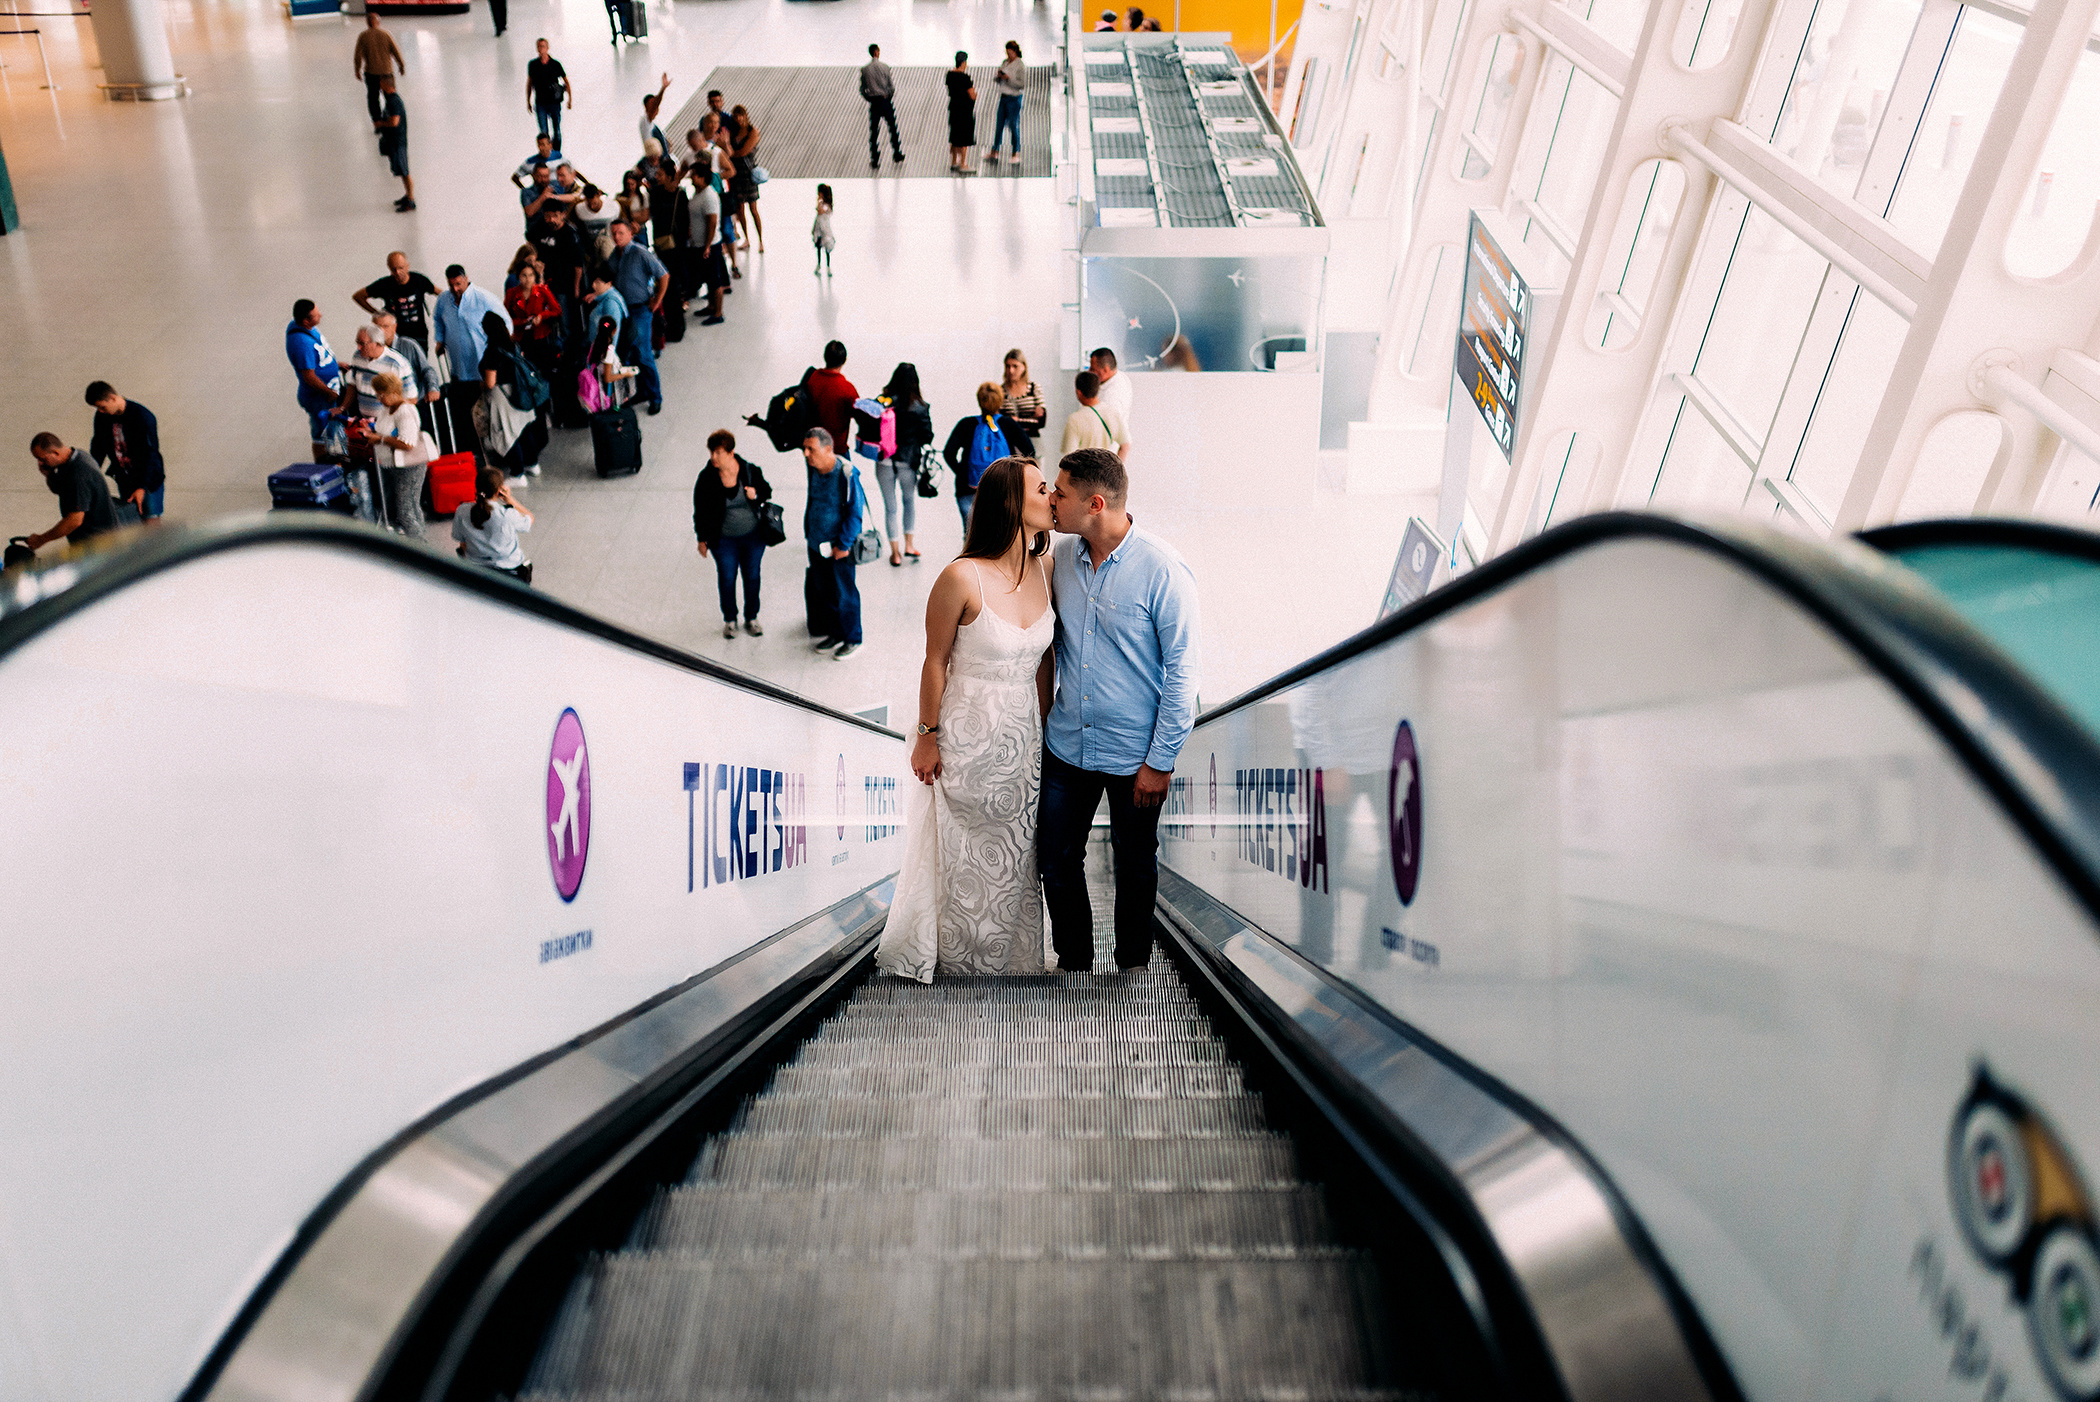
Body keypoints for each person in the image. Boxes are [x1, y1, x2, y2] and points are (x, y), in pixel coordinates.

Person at [876, 457, 1057, 982]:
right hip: (964, 735)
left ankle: (1010, 959)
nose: (1050, 497)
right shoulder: (960, 576)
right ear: (1010, 504)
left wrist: (1043, 728)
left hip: (1024, 736)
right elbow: (934, 660)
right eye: (1042, 489)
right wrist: (926, 737)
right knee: (961, 849)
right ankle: (956, 958)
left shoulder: (1046, 569)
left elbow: (1045, 661)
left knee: (1017, 849)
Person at [1039, 447, 1199, 973]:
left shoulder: (1163, 571)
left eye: (1060, 494)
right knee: (1057, 860)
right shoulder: (1061, 557)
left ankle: (1132, 966)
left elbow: (1183, 676)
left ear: (1096, 503)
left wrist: (1161, 761)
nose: (1052, 501)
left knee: (1134, 864)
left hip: (1137, 758)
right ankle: (1074, 964)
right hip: (1068, 746)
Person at [693, 429, 772, 639]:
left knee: (752, 576)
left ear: (731, 452)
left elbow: (767, 490)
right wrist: (702, 539)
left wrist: (756, 494)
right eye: (712, 452)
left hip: (753, 536)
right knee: (727, 578)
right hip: (723, 539)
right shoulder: (707, 478)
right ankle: (730, 619)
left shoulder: (749, 471)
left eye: (718, 452)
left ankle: (751, 617)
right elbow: (699, 510)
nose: (713, 458)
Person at [801, 428, 865, 659]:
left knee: (845, 593)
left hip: (839, 548)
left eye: (812, 449)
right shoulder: (814, 470)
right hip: (816, 544)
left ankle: (853, 638)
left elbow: (855, 513)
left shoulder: (847, 474)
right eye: (805, 449)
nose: (806, 454)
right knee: (824, 590)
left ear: (828, 449)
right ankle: (835, 633)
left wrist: (844, 544)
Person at [942, 381, 1033, 529]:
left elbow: (948, 453)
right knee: (1000, 535)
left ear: (979, 400)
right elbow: (1030, 451)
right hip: (1003, 490)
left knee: (971, 535)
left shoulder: (966, 424)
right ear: (1000, 401)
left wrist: (962, 473)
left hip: (968, 489)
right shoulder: (1008, 424)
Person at [606, 220, 669, 415]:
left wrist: (657, 301)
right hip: (623, 311)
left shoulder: (640, 252)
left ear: (630, 233)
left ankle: (655, 397)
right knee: (631, 354)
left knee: (644, 354)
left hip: (641, 309)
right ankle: (641, 391)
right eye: (614, 233)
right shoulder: (615, 255)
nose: (617, 237)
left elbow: (663, 275)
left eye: (621, 233)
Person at [24, 433, 121, 554]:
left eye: (43, 459)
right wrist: (49, 475)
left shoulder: (79, 474)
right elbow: (60, 489)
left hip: (97, 544)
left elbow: (74, 520)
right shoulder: (75, 457)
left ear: (55, 453)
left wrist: (42, 539)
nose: (41, 463)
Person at [475, 312, 545, 475]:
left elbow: (490, 382)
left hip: (503, 398)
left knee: (509, 435)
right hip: (520, 393)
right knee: (524, 430)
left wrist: (481, 384)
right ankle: (532, 464)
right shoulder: (513, 344)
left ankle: (517, 472)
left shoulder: (492, 351)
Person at [874, 361, 930, 565]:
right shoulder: (920, 407)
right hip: (908, 462)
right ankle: (909, 545)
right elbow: (927, 435)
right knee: (909, 502)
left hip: (884, 462)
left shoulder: (884, 402)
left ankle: (895, 553)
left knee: (890, 508)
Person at [85, 382, 165, 522]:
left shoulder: (142, 416)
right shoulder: (102, 417)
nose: (100, 411)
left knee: (150, 522)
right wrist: (91, 474)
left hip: (149, 480)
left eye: (102, 407)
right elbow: (98, 447)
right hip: (125, 479)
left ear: (112, 398)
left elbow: (150, 454)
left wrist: (142, 487)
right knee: (132, 522)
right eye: (97, 408)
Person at [365, 372, 428, 537]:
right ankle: (421, 543)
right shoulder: (388, 409)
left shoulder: (405, 411)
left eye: (381, 395)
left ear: (394, 393)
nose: (379, 399)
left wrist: (380, 439)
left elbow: (407, 443)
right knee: (412, 507)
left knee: (405, 511)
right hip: (393, 465)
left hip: (410, 467)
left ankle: (420, 548)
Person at [453, 466, 533, 581]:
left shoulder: (462, 510)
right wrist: (510, 499)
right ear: (499, 490)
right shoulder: (507, 514)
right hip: (510, 571)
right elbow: (529, 519)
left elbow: (462, 544)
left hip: (477, 571)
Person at [285, 299, 343, 460]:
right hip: (319, 398)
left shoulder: (303, 327)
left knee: (330, 432)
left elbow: (317, 360)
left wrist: (335, 365)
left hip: (327, 393)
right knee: (321, 435)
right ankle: (324, 466)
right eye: (316, 315)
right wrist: (329, 392)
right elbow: (309, 376)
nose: (321, 315)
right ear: (305, 321)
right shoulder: (301, 343)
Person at [434, 265, 509, 383]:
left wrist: (497, 354)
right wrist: (440, 340)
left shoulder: (484, 298)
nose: (455, 289)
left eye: (458, 284)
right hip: (458, 368)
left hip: (483, 371)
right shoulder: (443, 300)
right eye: (451, 285)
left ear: (466, 279)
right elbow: (438, 319)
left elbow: (506, 324)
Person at [353, 252, 437, 351]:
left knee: (419, 364)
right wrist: (376, 313)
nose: (397, 272)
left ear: (407, 266)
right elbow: (358, 296)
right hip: (396, 336)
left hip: (419, 335)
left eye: (400, 268)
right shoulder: (385, 284)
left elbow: (438, 292)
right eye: (393, 269)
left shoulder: (418, 280)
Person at [341, 322, 417, 416]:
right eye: (357, 342)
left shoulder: (397, 363)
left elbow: (411, 399)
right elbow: (353, 385)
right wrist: (342, 408)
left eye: (362, 343)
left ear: (377, 343)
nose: (359, 347)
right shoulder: (358, 357)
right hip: (364, 420)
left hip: (388, 424)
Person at [505, 263, 563, 377]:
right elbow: (506, 317)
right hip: (521, 336)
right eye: (524, 275)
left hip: (539, 335)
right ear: (519, 277)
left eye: (531, 275)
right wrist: (522, 322)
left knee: (542, 369)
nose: (528, 279)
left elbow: (557, 310)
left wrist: (542, 315)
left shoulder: (542, 290)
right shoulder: (512, 293)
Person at [1060, 369, 1130, 460]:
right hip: (1104, 472)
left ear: (1079, 392)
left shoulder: (1075, 419)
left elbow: (1068, 455)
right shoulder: (1113, 413)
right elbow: (1125, 446)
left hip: (1084, 473)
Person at [690, 167, 728, 325]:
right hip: (700, 244)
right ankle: (711, 306)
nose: (692, 177)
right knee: (707, 277)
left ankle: (718, 313)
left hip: (710, 246)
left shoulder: (709, 196)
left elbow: (712, 223)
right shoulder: (698, 193)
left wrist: (707, 246)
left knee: (715, 279)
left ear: (702, 177)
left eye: (694, 175)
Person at [725, 105, 764, 252]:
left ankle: (760, 240)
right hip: (736, 174)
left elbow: (742, 152)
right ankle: (747, 238)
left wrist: (730, 151)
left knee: (753, 208)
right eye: (736, 116)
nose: (739, 119)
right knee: (740, 208)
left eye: (741, 116)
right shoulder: (733, 131)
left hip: (747, 175)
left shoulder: (752, 131)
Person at [353, 12, 404, 125]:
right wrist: (401, 65)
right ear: (378, 22)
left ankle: (377, 121)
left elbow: (358, 55)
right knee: (390, 96)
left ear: (367, 23)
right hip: (386, 73)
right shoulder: (386, 34)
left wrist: (357, 70)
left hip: (371, 73)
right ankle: (392, 118)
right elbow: (395, 51)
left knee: (373, 98)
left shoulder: (363, 36)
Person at [860, 44, 905, 169]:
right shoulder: (885, 67)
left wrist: (869, 98)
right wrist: (888, 96)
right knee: (892, 128)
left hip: (874, 103)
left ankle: (875, 158)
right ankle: (896, 153)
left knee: (874, 131)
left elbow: (862, 88)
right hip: (885, 101)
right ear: (877, 52)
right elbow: (891, 85)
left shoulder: (865, 70)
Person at [806, 340, 858, 445]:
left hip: (813, 444)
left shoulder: (811, 378)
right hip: (836, 446)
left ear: (825, 357)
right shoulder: (847, 389)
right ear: (844, 360)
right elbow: (856, 413)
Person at [375, 74, 414, 211]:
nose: (380, 87)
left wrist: (381, 123)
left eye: (381, 84)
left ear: (386, 85)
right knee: (402, 170)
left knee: (404, 171)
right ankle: (408, 196)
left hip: (398, 142)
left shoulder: (393, 101)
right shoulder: (392, 100)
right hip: (396, 141)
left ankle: (411, 200)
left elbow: (394, 121)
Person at [526, 38, 571, 146]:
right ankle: (547, 153)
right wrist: (528, 100)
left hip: (554, 103)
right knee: (544, 132)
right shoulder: (533, 65)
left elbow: (566, 81)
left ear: (547, 48)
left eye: (543, 46)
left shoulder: (555, 64)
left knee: (557, 131)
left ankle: (556, 152)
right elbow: (529, 83)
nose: (541, 49)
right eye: (539, 47)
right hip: (541, 103)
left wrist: (570, 99)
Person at [988, 42, 1024, 167]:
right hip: (1003, 97)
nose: (1008, 55)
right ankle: (995, 150)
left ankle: (1016, 153)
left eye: (1010, 52)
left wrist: (1009, 78)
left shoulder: (1020, 65)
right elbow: (999, 78)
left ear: (1015, 51)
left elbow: (1021, 84)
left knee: (1013, 125)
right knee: (999, 124)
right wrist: (999, 77)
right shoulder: (1005, 62)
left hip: (1014, 98)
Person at [999, 348, 1046, 436]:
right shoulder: (1000, 391)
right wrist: (1030, 420)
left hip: (1032, 440)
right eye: (1008, 366)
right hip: (1009, 441)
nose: (1011, 371)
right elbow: (1000, 422)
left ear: (1023, 367)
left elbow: (1041, 422)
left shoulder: (1034, 388)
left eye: (1015, 366)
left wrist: (1016, 420)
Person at [945, 52, 978, 175]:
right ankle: (963, 163)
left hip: (954, 108)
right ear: (964, 62)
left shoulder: (949, 75)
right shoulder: (965, 78)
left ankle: (954, 161)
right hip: (964, 111)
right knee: (965, 136)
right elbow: (972, 95)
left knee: (954, 135)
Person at [1089, 345, 1132, 425]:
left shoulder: (1112, 395)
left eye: (1093, 369)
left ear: (1105, 370)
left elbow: (1108, 426)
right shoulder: (1120, 377)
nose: (1089, 371)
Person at [638, 73, 671, 155]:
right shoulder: (645, 121)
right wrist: (663, 89)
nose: (655, 107)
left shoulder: (653, 124)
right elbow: (654, 106)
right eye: (652, 105)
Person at [811, 183, 834, 276]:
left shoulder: (826, 205)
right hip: (819, 229)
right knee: (819, 247)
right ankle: (819, 264)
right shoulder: (824, 203)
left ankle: (828, 266)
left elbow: (819, 210)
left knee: (826, 248)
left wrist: (819, 201)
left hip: (825, 229)